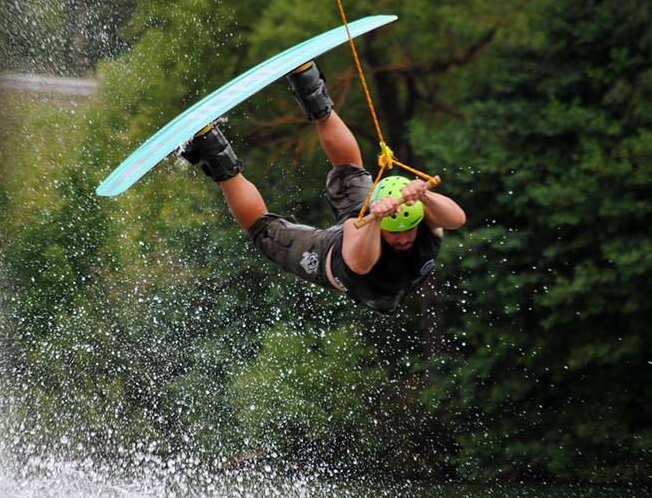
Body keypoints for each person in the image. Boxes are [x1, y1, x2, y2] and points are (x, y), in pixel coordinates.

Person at [177, 60, 467, 311]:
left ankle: (209, 142)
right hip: (342, 246)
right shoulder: (361, 230)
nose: (404, 239)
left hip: (337, 255)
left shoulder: (422, 227)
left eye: (409, 231)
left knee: (268, 232)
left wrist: (425, 196)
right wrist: (376, 218)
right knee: (346, 174)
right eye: (397, 234)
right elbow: (362, 259)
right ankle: (307, 81)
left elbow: (456, 218)